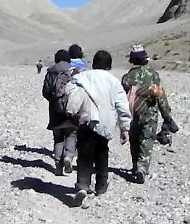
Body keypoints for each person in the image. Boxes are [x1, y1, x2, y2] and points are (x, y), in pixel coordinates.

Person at [65, 49, 131, 209]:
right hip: (105, 123)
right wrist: (125, 128)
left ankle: (82, 185)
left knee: (84, 153)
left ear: (94, 63)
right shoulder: (114, 81)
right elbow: (122, 105)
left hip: (86, 121)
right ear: (109, 65)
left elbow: (69, 90)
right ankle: (101, 186)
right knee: (102, 153)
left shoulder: (82, 77)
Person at [120, 45, 179, 183]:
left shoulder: (126, 78)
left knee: (134, 141)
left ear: (132, 60)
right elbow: (160, 97)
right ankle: (142, 168)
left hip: (132, 114)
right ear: (145, 60)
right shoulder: (153, 75)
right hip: (149, 114)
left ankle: (135, 166)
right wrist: (167, 116)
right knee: (146, 141)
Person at [42, 49, 77, 175]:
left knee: (58, 138)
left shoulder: (50, 72)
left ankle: (58, 165)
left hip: (55, 111)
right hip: (72, 110)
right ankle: (68, 157)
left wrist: (54, 101)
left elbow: (45, 92)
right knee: (71, 134)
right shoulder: (73, 70)